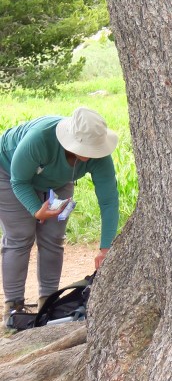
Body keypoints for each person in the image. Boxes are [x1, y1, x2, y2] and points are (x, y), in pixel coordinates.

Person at [0, 106, 120, 322]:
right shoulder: (40, 139)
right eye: (87, 148)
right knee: (21, 235)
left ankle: (48, 302)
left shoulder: (99, 155)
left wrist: (106, 248)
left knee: (54, 237)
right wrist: (36, 210)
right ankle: (13, 306)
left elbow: (109, 200)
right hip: (9, 172)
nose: (92, 153)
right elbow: (19, 181)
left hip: (57, 180)